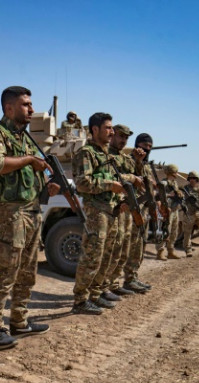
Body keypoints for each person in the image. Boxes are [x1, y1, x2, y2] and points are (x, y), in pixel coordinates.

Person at [0, 86, 56, 349]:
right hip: (11, 213)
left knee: (28, 271)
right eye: (26, 104)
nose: (32, 110)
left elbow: (28, 175)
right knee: (6, 271)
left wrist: (47, 188)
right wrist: (29, 160)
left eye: (31, 104)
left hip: (32, 210)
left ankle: (19, 320)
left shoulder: (25, 138)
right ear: (9, 108)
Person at [72, 113, 129, 315]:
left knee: (107, 254)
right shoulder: (86, 153)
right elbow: (82, 182)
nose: (112, 132)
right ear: (95, 130)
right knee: (92, 256)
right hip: (96, 211)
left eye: (112, 128)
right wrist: (110, 185)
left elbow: (117, 178)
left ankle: (95, 295)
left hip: (111, 210)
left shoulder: (106, 155)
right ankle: (80, 300)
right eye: (108, 128)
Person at [103, 124, 144, 298]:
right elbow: (114, 178)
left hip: (127, 206)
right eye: (120, 136)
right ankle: (105, 285)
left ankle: (113, 283)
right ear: (112, 135)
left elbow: (138, 175)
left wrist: (138, 161)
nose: (123, 140)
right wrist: (132, 177)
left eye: (126, 137)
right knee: (114, 247)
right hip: (116, 206)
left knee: (124, 246)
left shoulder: (124, 157)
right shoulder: (107, 155)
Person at [123, 133, 155, 293]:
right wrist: (138, 161)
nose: (146, 149)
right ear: (137, 145)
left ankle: (132, 277)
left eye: (149, 147)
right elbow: (130, 178)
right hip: (132, 209)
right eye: (144, 146)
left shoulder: (147, 165)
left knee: (140, 245)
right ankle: (124, 280)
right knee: (130, 245)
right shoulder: (130, 160)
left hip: (144, 210)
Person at [155, 164, 183, 260]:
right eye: (175, 172)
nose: (177, 174)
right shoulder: (164, 183)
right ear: (171, 172)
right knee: (164, 231)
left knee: (174, 232)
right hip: (167, 210)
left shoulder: (174, 183)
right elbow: (157, 196)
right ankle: (160, 252)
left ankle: (170, 251)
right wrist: (169, 195)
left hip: (174, 210)